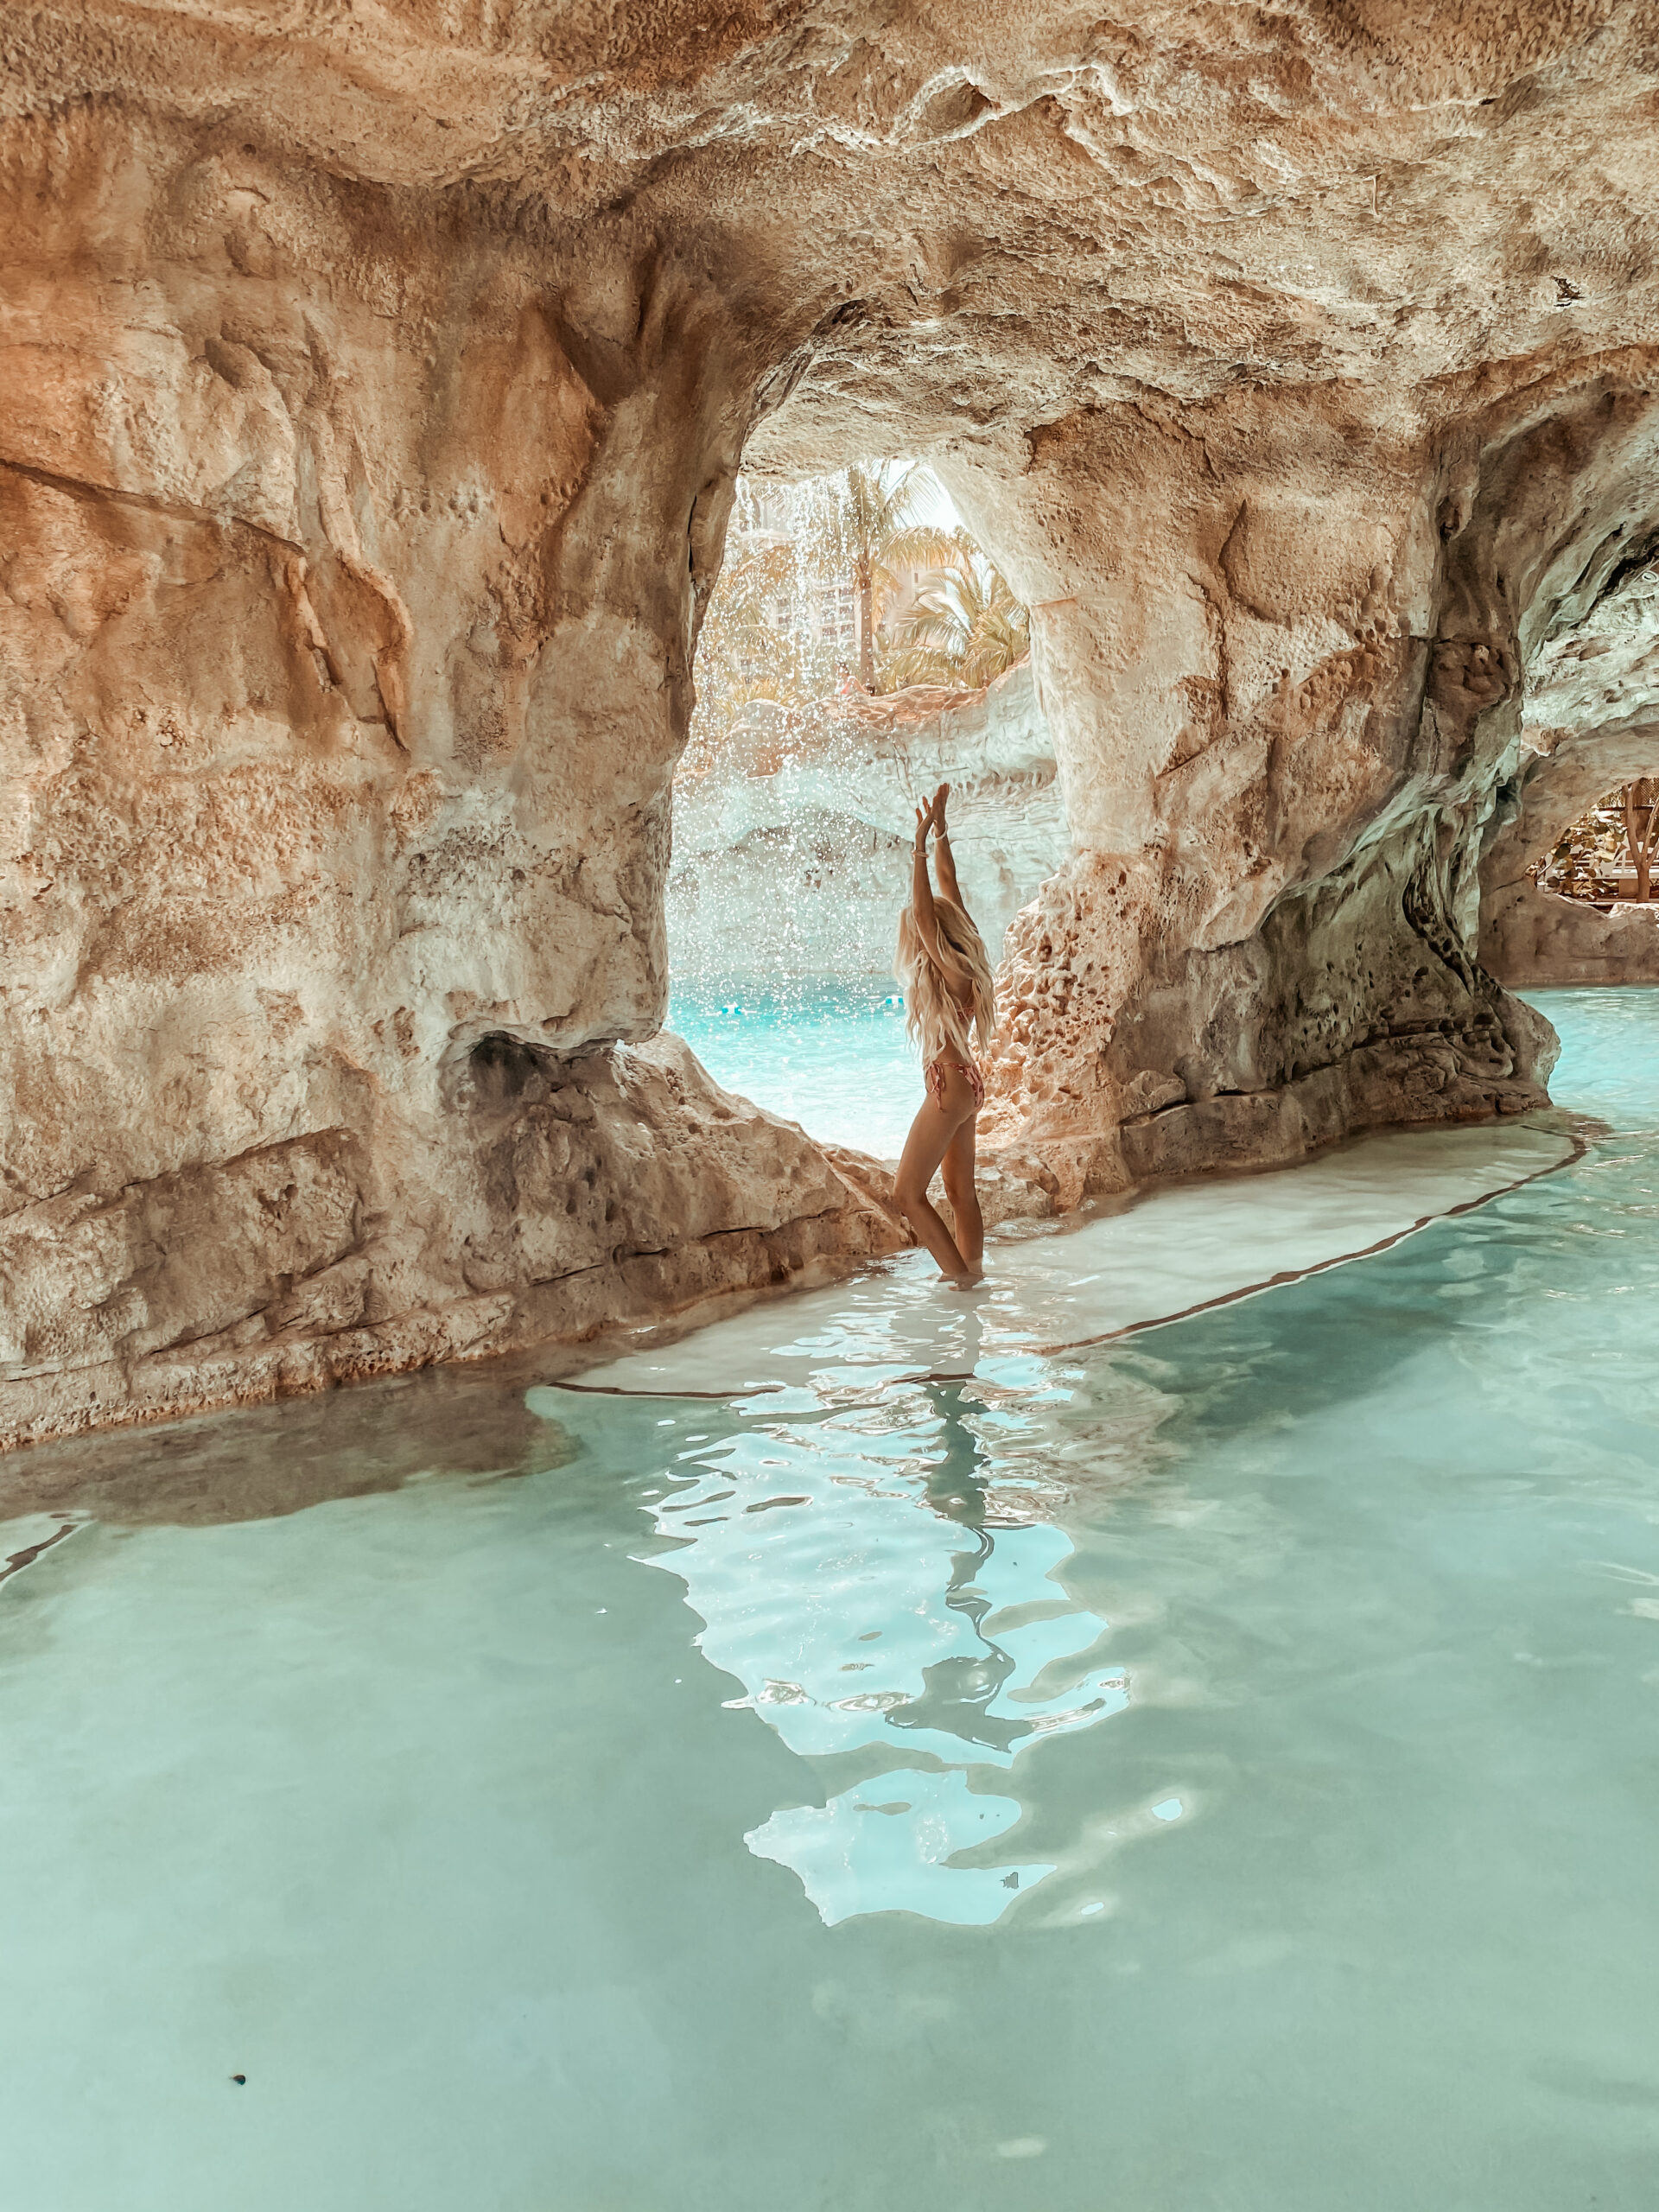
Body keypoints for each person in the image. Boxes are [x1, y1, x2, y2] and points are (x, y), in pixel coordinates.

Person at [892, 782, 997, 1289]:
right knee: (960, 1192)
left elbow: (926, 911)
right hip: (966, 1081)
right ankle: (973, 1272)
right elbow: (949, 888)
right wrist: (943, 833)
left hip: (951, 1086)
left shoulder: (952, 969)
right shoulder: (966, 960)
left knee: (906, 1194)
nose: (914, 937)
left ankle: (960, 1282)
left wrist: (917, 845)